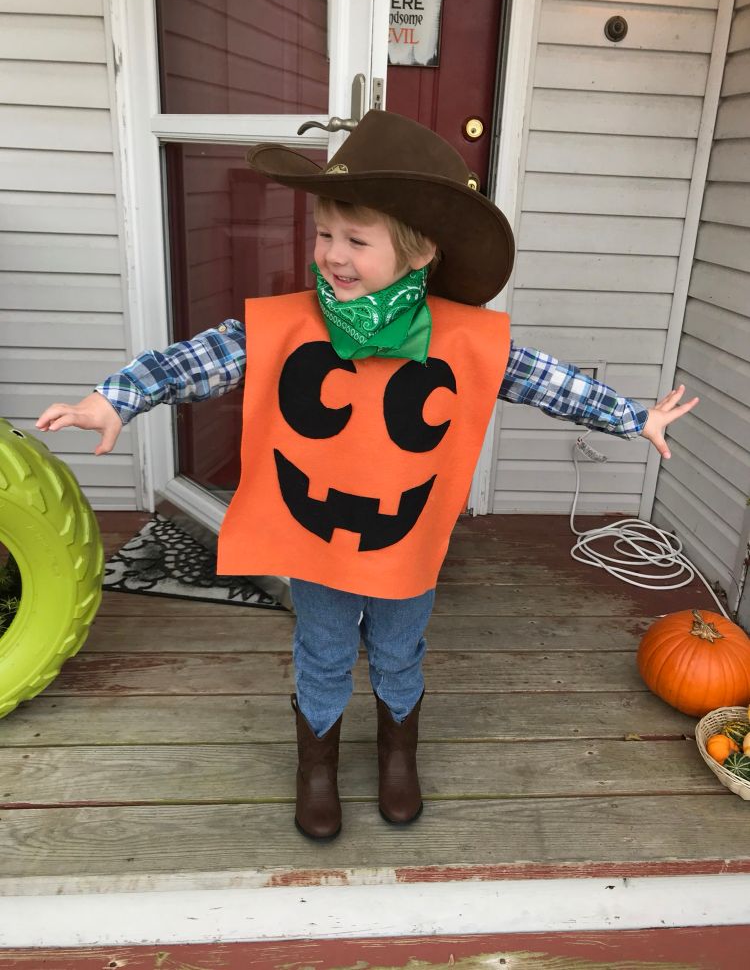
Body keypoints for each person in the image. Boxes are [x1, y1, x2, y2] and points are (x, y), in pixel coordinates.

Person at [36, 111, 698, 842]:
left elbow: (546, 380)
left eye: (356, 240)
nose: (333, 255)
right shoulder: (287, 326)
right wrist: (114, 399)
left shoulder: (467, 339)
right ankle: (315, 765)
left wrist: (631, 418)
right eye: (324, 234)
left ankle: (396, 752)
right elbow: (194, 360)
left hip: (405, 541)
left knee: (397, 647)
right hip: (316, 538)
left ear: (418, 255)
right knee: (320, 648)